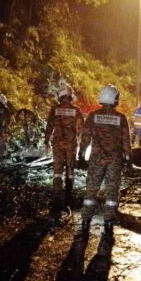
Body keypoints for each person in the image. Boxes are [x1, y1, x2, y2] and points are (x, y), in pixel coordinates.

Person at [78, 84, 131, 236]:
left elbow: (86, 138)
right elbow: (126, 141)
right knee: (112, 192)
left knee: (91, 190)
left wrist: (81, 155)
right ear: (113, 98)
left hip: (97, 159)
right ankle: (108, 225)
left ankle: (85, 223)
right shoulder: (121, 118)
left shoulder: (93, 116)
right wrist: (128, 157)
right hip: (114, 161)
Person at [44, 84, 84, 219]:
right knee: (70, 171)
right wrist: (81, 146)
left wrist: (46, 142)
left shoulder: (54, 109)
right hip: (71, 146)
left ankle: (56, 200)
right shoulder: (76, 110)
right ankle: (68, 199)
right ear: (70, 95)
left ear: (59, 95)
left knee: (57, 173)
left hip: (57, 145)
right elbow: (81, 130)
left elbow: (49, 126)